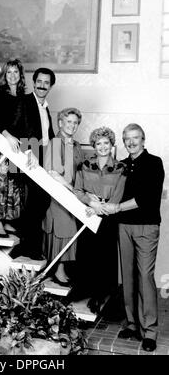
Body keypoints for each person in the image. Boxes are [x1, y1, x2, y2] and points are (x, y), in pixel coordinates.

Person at [106, 124, 164, 353]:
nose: (131, 142)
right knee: (127, 277)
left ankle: (149, 331)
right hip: (124, 226)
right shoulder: (122, 164)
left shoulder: (154, 162)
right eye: (127, 139)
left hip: (146, 227)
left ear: (143, 139)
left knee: (144, 277)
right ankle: (132, 324)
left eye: (135, 138)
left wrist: (117, 207)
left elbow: (146, 198)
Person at [72, 127, 127, 313]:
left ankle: (100, 294)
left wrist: (102, 208)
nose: (102, 147)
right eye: (98, 143)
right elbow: (77, 191)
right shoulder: (84, 166)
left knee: (105, 255)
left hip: (108, 217)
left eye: (106, 143)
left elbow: (119, 195)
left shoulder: (121, 168)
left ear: (112, 145)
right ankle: (83, 289)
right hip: (87, 214)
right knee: (87, 252)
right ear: (94, 146)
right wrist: (90, 202)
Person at [9, 68, 55, 261]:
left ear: (50, 86)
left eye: (46, 82)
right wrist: (29, 151)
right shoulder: (24, 101)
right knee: (38, 199)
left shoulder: (46, 107)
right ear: (33, 82)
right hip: (27, 156)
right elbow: (14, 127)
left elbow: (48, 136)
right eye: (39, 81)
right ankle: (29, 247)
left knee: (41, 201)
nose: (42, 85)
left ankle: (26, 244)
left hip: (43, 156)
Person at [43, 108, 84, 285]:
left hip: (72, 196)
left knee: (70, 230)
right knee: (63, 230)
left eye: (75, 123)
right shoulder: (55, 142)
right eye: (69, 122)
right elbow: (51, 172)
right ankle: (58, 269)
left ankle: (61, 268)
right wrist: (70, 188)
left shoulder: (76, 145)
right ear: (60, 123)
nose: (72, 125)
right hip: (57, 195)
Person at [0, 58, 26, 237]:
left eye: (15, 72)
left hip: (18, 145)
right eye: (9, 72)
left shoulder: (23, 96)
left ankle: (8, 219)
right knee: (0, 184)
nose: (12, 75)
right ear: (4, 75)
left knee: (13, 184)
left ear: (20, 75)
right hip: (3, 142)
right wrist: (8, 136)